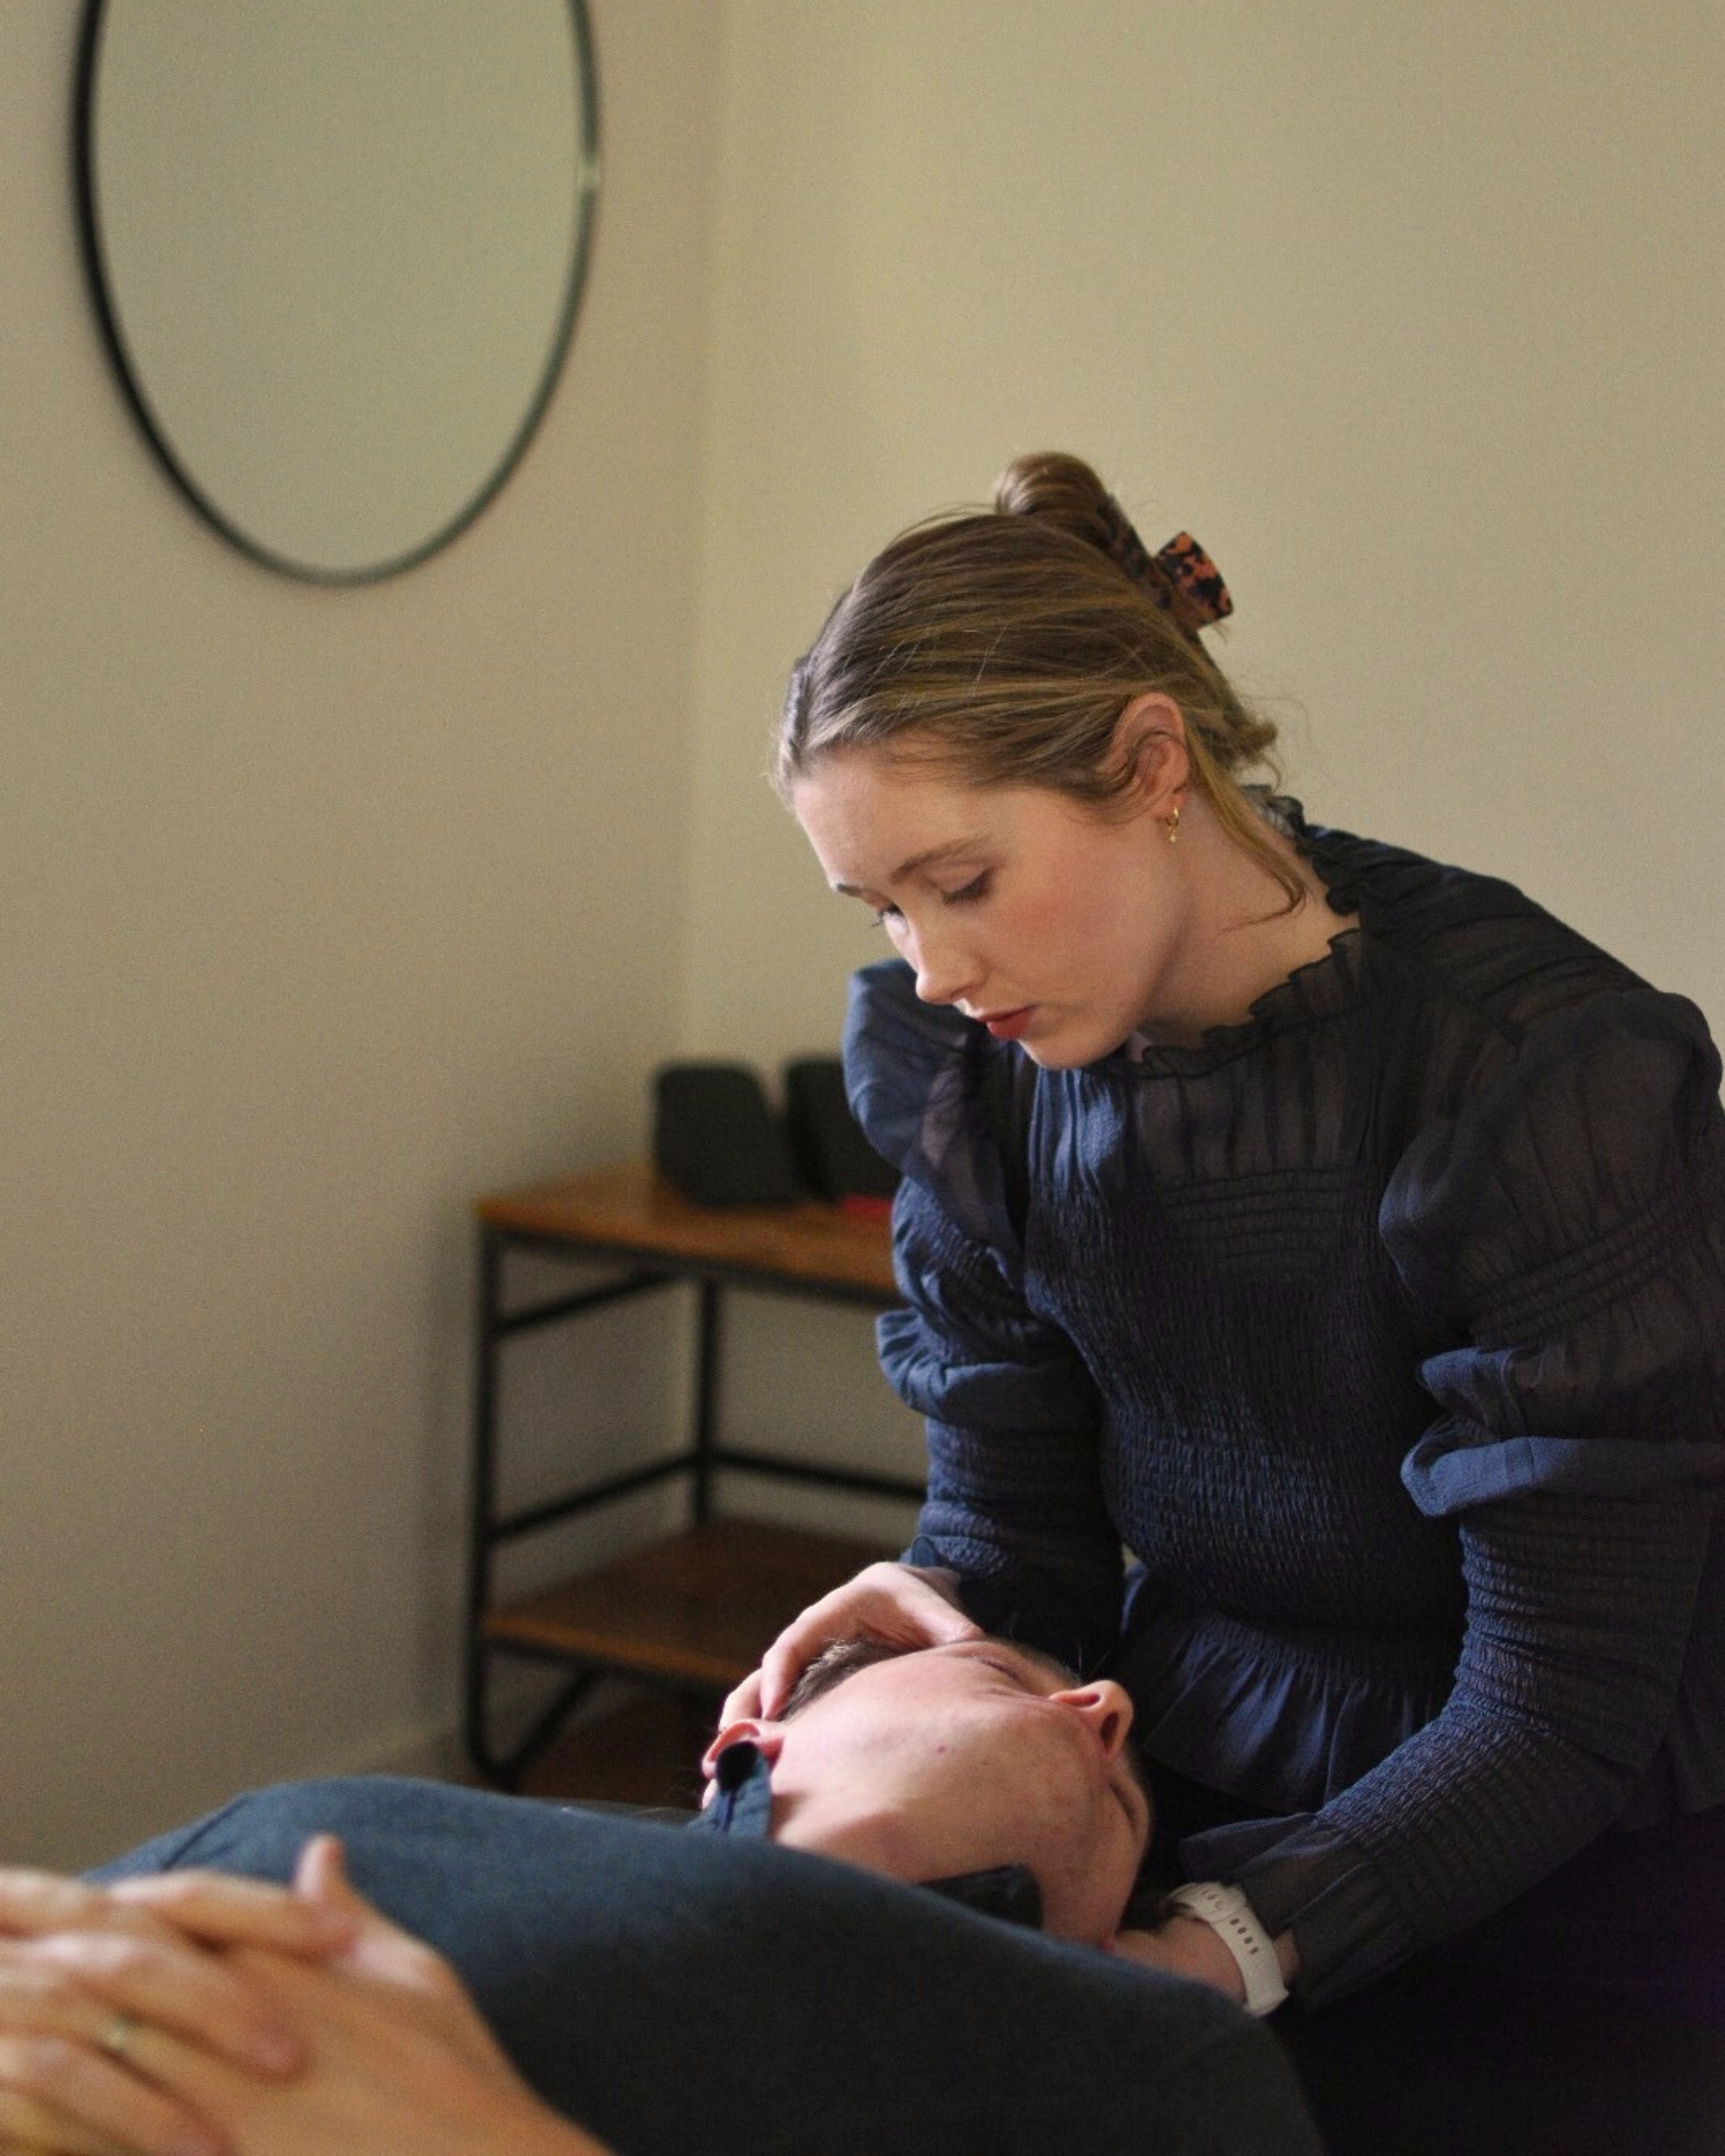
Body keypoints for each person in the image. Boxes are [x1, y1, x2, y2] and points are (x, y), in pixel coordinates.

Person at [728, 451, 1725, 2144]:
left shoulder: (1537, 1080)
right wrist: (934, 1629)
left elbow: (1557, 1696)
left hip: (1561, 1865)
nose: (933, 968)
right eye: (884, 904)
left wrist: (1220, 1948)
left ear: (1148, 761)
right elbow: (1019, 1525)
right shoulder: (974, 1075)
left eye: (960, 882)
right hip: (1193, 1780)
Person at [0, 1636, 1323, 2156]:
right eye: (996, 1672)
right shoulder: (342, 1820)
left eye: (1132, 1813)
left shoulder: (1153, 2071)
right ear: (746, 1741)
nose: (1103, 1706)